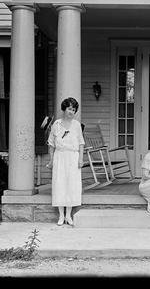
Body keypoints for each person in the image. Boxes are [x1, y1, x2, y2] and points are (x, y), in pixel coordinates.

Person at [46, 97, 85, 226]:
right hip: (60, 157)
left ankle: (68, 215)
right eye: (69, 108)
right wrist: (51, 161)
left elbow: (81, 143)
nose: (71, 112)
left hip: (73, 157)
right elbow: (51, 144)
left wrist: (80, 159)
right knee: (60, 183)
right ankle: (61, 215)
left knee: (71, 185)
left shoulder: (77, 125)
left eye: (73, 109)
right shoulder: (56, 125)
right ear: (64, 109)